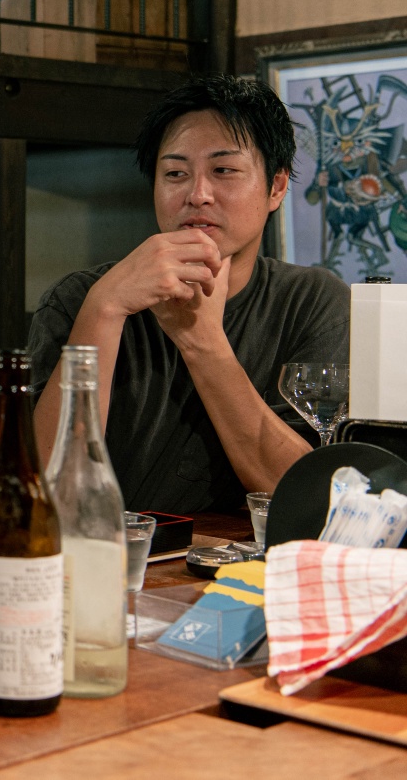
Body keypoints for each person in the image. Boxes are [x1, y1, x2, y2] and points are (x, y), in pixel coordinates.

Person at [28, 76, 350, 513]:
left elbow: (310, 493)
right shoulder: (81, 298)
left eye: (224, 170)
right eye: (175, 173)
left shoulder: (313, 301)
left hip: (250, 576)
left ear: (276, 188)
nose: (197, 195)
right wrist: (105, 310)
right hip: (111, 567)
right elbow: (45, 489)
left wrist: (203, 342)